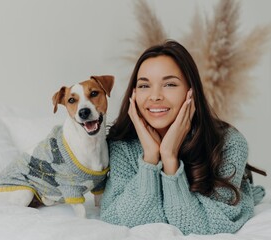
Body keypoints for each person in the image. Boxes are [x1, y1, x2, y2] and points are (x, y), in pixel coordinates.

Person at [100, 40, 266, 235]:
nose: (154, 96)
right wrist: (150, 158)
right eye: (144, 85)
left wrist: (169, 158)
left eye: (169, 84)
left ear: (191, 91)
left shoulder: (228, 143)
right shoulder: (122, 144)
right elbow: (118, 218)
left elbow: (200, 227)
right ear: (133, 94)